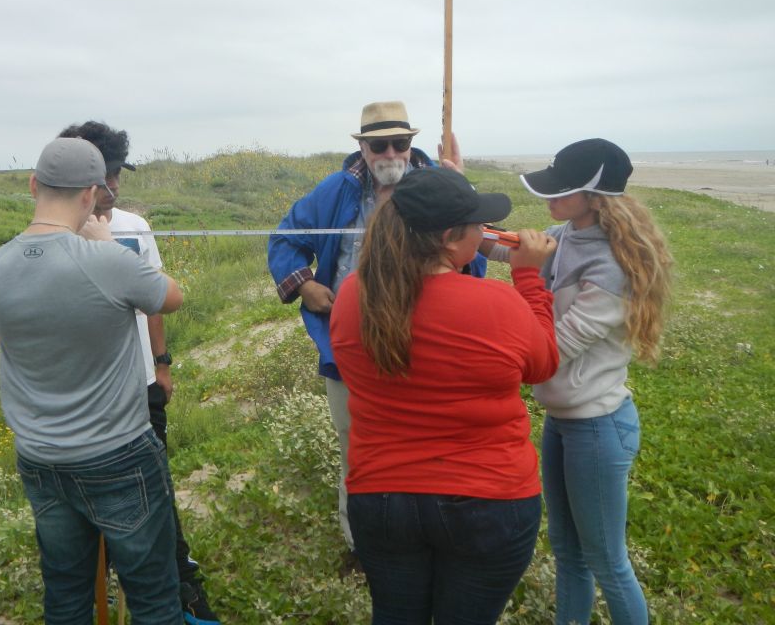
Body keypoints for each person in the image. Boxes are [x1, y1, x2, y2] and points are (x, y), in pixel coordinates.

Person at [329, 168, 559, 624]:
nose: (483, 233)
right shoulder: (498, 304)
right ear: (452, 237)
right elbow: (543, 363)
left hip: (382, 497)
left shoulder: (354, 296)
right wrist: (530, 279)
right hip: (490, 499)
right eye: (478, 226)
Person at [0, 137, 185, 624]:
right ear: (93, 195)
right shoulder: (106, 261)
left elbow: (1, 339)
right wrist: (107, 244)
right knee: (153, 598)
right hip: (118, 451)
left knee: (66, 596)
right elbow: (169, 297)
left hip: (41, 458)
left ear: (33, 185)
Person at [267, 101, 485, 568]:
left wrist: (462, 188)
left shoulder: (439, 188)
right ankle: (360, 547)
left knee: (429, 449)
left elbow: (475, 259)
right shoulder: (337, 191)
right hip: (349, 348)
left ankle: (428, 541)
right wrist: (304, 285)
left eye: (400, 143)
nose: (391, 153)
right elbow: (285, 237)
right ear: (362, 147)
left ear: (411, 144)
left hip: (425, 348)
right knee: (356, 449)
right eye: (379, 144)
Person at [59, 119, 221, 625]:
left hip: (140, 384)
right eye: (103, 178)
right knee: (88, 510)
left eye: (116, 177)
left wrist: (162, 364)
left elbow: (156, 301)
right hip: (85, 395)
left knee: (155, 494)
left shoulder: (133, 227)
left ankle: (181, 590)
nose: (112, 189)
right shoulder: (51, 238)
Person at [510, 139, 673, 625]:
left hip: (598, 428)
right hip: (563, 422)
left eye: (563, 191)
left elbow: (550, 352)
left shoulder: (613, 268)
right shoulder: (565, 233)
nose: (549, 199)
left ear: (596, 197)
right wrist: (460, 219)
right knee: (567, 551)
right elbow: (513, 248)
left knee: (607, 561)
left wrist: (525, 279)